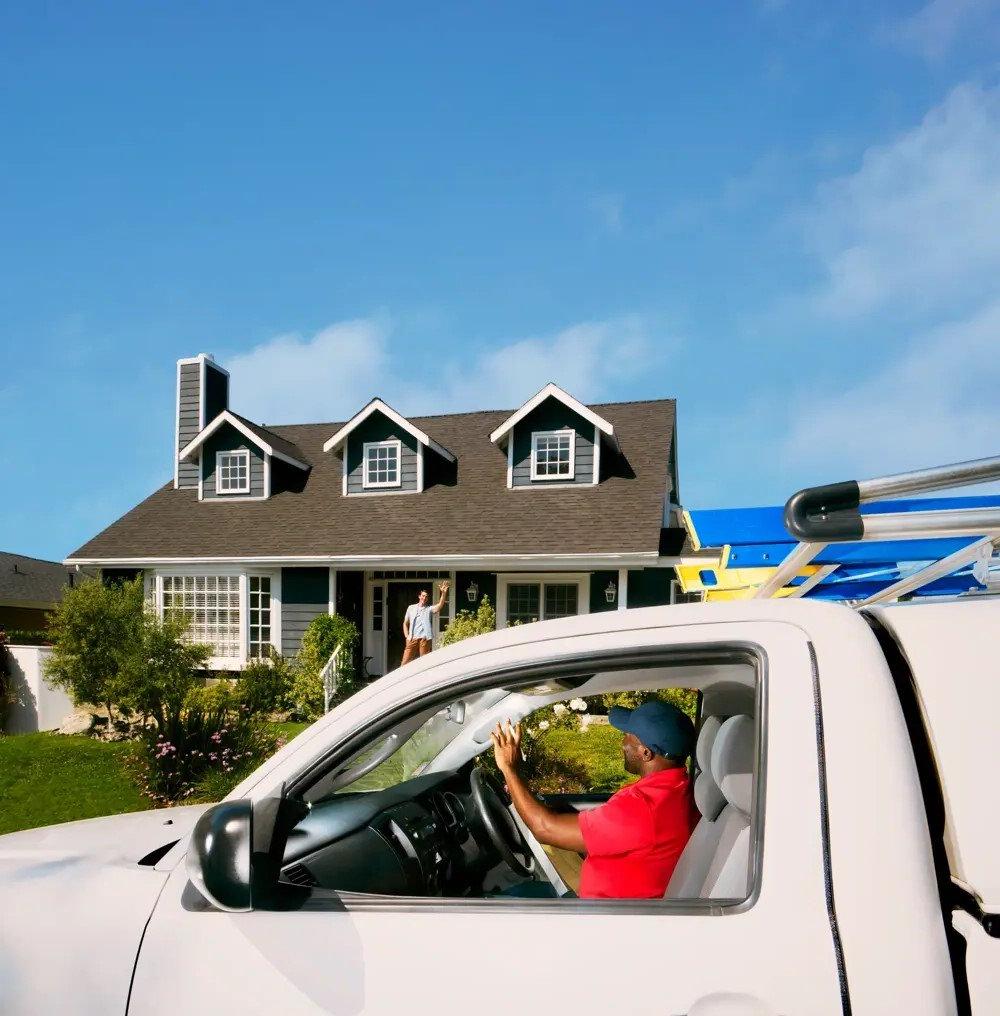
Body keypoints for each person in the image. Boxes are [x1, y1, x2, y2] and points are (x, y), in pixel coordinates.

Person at [490, 699, 696, 899]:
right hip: (612, 902)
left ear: (645, 753)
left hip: (599, 917)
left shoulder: (642, 807)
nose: (623, 743)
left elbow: (544, 828)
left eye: (627, 736)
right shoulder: (678, 789)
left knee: (495, 903)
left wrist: (509, 768)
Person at [400, 581, 450, 665]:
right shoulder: (411, 608)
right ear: (419, 596)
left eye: (426, 597)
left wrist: (443, 593)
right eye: (423, 596)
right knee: (405, 663)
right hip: (412, 638)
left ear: (427, 599)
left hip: (425, 638)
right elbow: (405, 623)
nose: (424, 598)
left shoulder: (429, 609)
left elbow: (439, 606)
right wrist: (407, 636)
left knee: (424, 663)